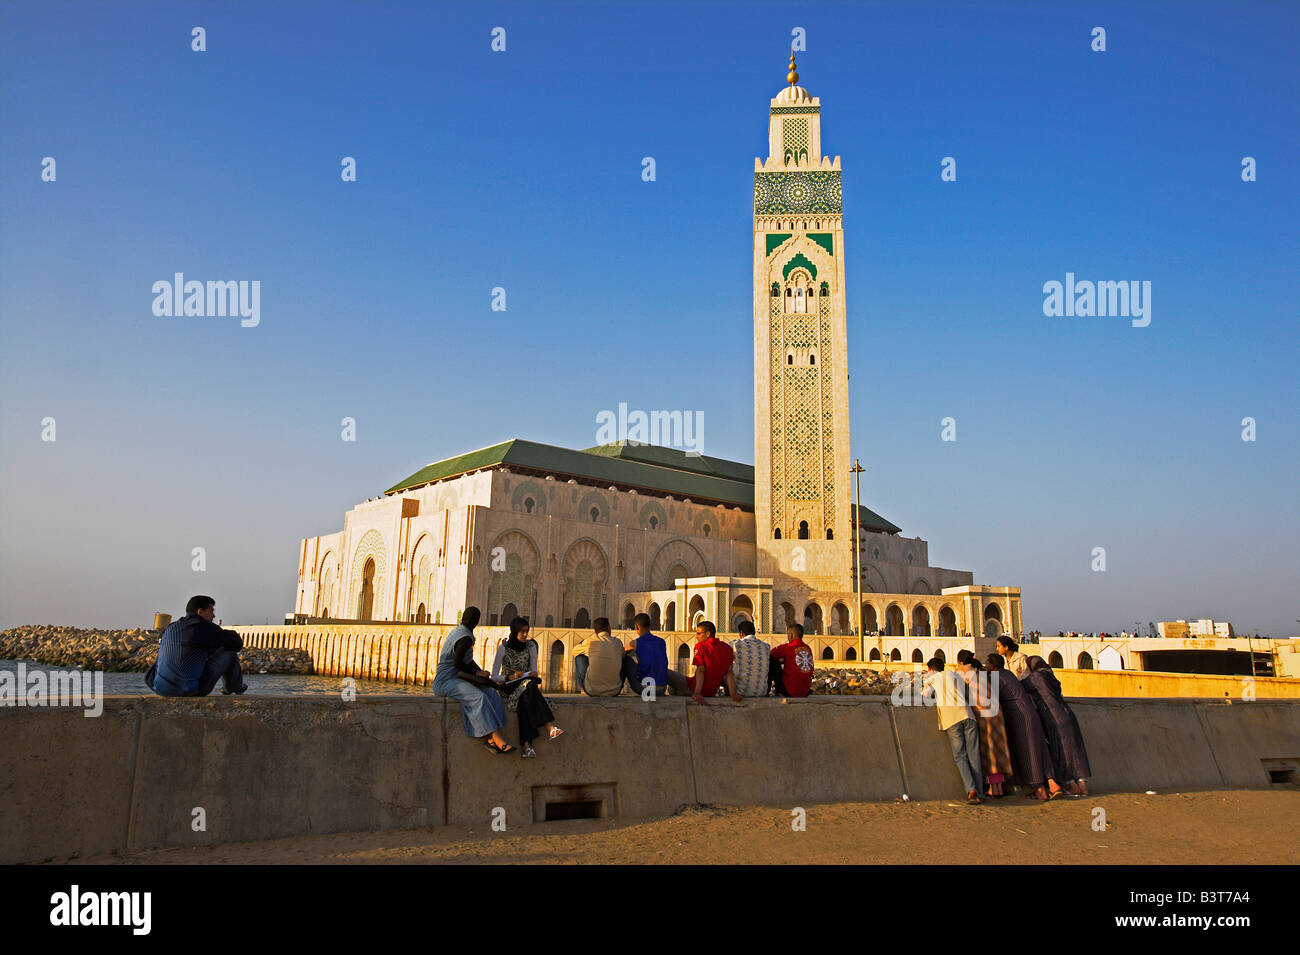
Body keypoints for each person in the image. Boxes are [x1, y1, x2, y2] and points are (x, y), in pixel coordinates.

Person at [432, 606, 512, 754]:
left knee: (491, 693)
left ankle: (492, 738)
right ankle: (495, 738)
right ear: (476, 622)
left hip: (457, 678)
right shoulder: (464, 637)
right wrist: (476, 672)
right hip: (446, 681)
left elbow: (466, 660)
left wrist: (480, 672)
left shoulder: (462, 632)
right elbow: (457, 663)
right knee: (478, 697)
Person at [986, 652, 1063, 800]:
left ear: (992, 665)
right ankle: (1053, 784)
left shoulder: (996, 677)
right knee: (1041, 747)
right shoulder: (1008, 674)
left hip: (1019, 716)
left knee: (1028, 750)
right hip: (1031, 712)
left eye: (988, 664)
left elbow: (990, 697)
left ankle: (1039, 789)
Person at [146, 595, 247, 696]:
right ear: (200, 612)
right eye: (211, 611)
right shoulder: (206, 628)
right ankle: (233, 687)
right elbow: (236, 644)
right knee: (229, 653)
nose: (213, 616)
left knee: (166, 656)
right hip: (190, 691)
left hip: (160, 690)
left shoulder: (171, 627)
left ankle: (164, 685)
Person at [491, 617, 563, 758]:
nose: (525, 635)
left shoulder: (530, 646)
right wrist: (509, 677)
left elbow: (533, 670)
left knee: (525, 699)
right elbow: (494, 676)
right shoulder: (503, 648)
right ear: (514, 631)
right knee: (528, 689)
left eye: (526, 631)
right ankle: (548, 725)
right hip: (509, 687)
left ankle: (526, 746)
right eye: (522, 632)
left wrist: (531, 674)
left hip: (526, 686)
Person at [1021, 655, 1092, 795]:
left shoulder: (1035, 677)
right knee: (1077, 751)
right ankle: (1083, 786)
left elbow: (1020, 686)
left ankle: (1071, 785)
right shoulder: (1052, 676)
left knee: (1061, 751)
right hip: (1068, 715)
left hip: (1054, 718)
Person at [925, 656, 983, 804]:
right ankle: (980, 793)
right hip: (968, 715)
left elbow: (925, 696)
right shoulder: (954, 674)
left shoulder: (932, 678)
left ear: (931, 670)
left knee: (960, 756)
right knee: (974, 755)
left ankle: (971, 790)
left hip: (952, 720)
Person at [958, 651, 1013, 797]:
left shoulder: (967, 675)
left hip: (985, 717)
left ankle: (993, 789)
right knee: (998, 751)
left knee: (988, 753)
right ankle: (999, 787)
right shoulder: (981, 675)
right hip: (997, 715)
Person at [625, 613, 692, 697]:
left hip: (646, 690)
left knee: (626, 660)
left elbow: (622, 654)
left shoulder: (634, 643)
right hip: (662, 689)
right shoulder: (661, 641)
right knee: (662, 668)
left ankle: (616, 687)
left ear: (637, 627)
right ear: (650, 626)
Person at [573, 617, 639, 697]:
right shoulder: (617, 642)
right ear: (609, 628)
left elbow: (574, 651)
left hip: (591, 691)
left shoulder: (591, 641)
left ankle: (585, 688)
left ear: (595, 631)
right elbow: (623, 655)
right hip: (615, 691)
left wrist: (589, 653)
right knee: (626, 659)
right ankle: (636, 686)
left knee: (579, 656)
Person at [689, 621, 741, 704]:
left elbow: (700, 670)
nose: (696, 636)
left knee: (668, 675)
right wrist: (733, 694)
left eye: (699, 633)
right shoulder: (727, 648)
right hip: (712, 692)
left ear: (708, 634)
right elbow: (729, 673)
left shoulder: (700, 646)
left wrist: (697, 693)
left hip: (693, 687)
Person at [769, 623, 815, 697]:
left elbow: (771, 654)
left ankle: (769, 688)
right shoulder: (808, 648)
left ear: (791, 635)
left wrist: (781, 660)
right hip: (805, 691)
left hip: (789, 691)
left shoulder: (787, 647)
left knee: (772, 660)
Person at [728, 620, 771, 697]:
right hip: (761, 692)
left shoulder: (736, 644)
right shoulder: (766, 646)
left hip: (740, 691)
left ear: (741, 633)